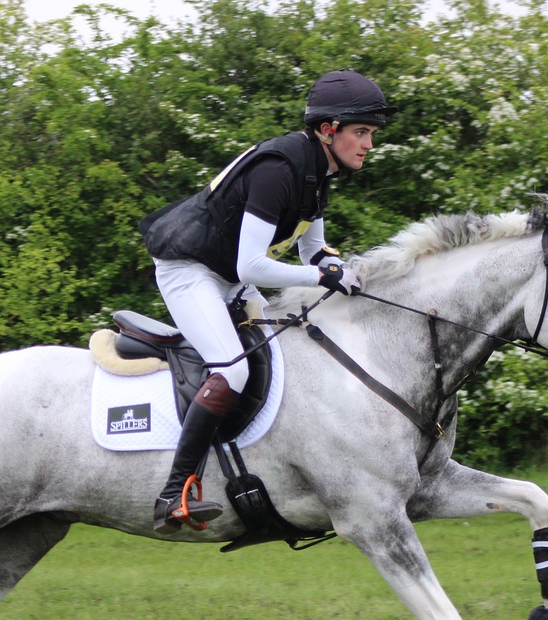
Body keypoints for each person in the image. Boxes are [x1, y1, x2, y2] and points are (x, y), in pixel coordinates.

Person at [139, 70, 398, 532]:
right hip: (190, 271)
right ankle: (173, 491)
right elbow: (251, 267)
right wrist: (321, 275)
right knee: (233, 367)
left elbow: (310, 248)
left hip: (226, 275)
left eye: (371, 134)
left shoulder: (317, 172)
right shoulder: (280, 170)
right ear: (328, 130)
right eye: (361, 132)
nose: (369, 145)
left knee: (288, 349)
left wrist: (338, 268)